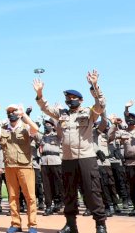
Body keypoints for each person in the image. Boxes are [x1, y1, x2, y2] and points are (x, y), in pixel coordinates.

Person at [33, 69, 108, 233]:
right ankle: (71, 224)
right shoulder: (62, 114)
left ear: (81, 100)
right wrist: (40, 93)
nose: (70, 100)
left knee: (92, 191)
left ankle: (100, 224)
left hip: (86, 158)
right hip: (67, 159)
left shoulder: (89, 112)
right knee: (69, 192)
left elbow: (101, 105)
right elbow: (45, 108)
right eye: (68, 98)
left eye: (73, 98)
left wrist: (95, 85)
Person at [0, 104, 40, 233]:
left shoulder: (25, 127)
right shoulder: (3, 129)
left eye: (14, 111)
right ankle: (15, 224)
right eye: (9, 112)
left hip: (25, 166)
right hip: (9, 167)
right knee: (13, 196)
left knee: (30, 197)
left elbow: (35, 129)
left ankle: (32, 225)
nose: (11, 114)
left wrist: (24, 115)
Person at [40, 118, 63, 216]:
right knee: (47, 186)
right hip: (45, 163)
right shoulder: (42, 137)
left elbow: (60, 130)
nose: (47, 126)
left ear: (53, 126)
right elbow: (32, 131)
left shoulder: (57, 135)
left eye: (49, 124)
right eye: (45, 124)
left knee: (58, 184)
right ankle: (48, 206)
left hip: (56, 162)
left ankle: (59, 203)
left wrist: (55, 119)